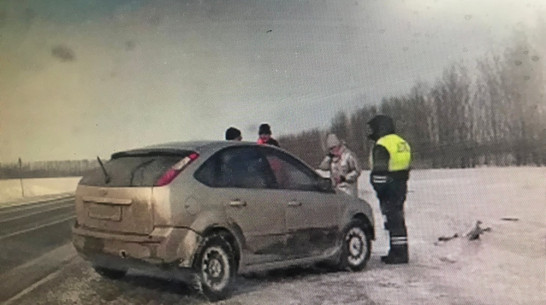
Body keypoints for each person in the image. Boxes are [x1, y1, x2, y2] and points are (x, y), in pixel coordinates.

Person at [367, 114, 411, 264]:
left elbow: (379, 172)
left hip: (388, 188)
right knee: (398, 220)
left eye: (373, 128)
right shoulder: (401, 142)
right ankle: (400, 251)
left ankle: (397, 255)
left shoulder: (382, 145)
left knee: (392, 221)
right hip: (401, 185)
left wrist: (379, 190)